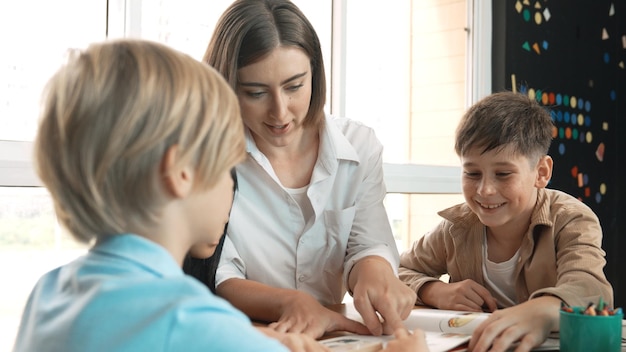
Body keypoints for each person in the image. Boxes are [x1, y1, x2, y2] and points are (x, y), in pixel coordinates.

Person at [12, 38, 324, 352]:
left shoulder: (48, 295)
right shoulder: (192, 321)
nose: (232, 188)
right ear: (181, 172)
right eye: (228, 167)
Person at [187, 0, 416, 339]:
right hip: (249, 334)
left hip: (334, 335)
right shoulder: (211, 157)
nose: (280, 112)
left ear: (315, 73)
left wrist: (373, 269)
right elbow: (218, 273)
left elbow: (367, 244)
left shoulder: (358, 145)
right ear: (227, 87)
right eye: (255, 93)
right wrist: (290, 303)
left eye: (294, 86)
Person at [398, 91, 614, 352]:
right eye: (472, 173)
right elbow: (395, 271)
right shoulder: (456, 227)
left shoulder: (571, 219)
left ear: (541, 173)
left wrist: (542, 311)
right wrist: (434, 291)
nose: (485, 190)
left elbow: (590, 287)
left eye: (503, 174)